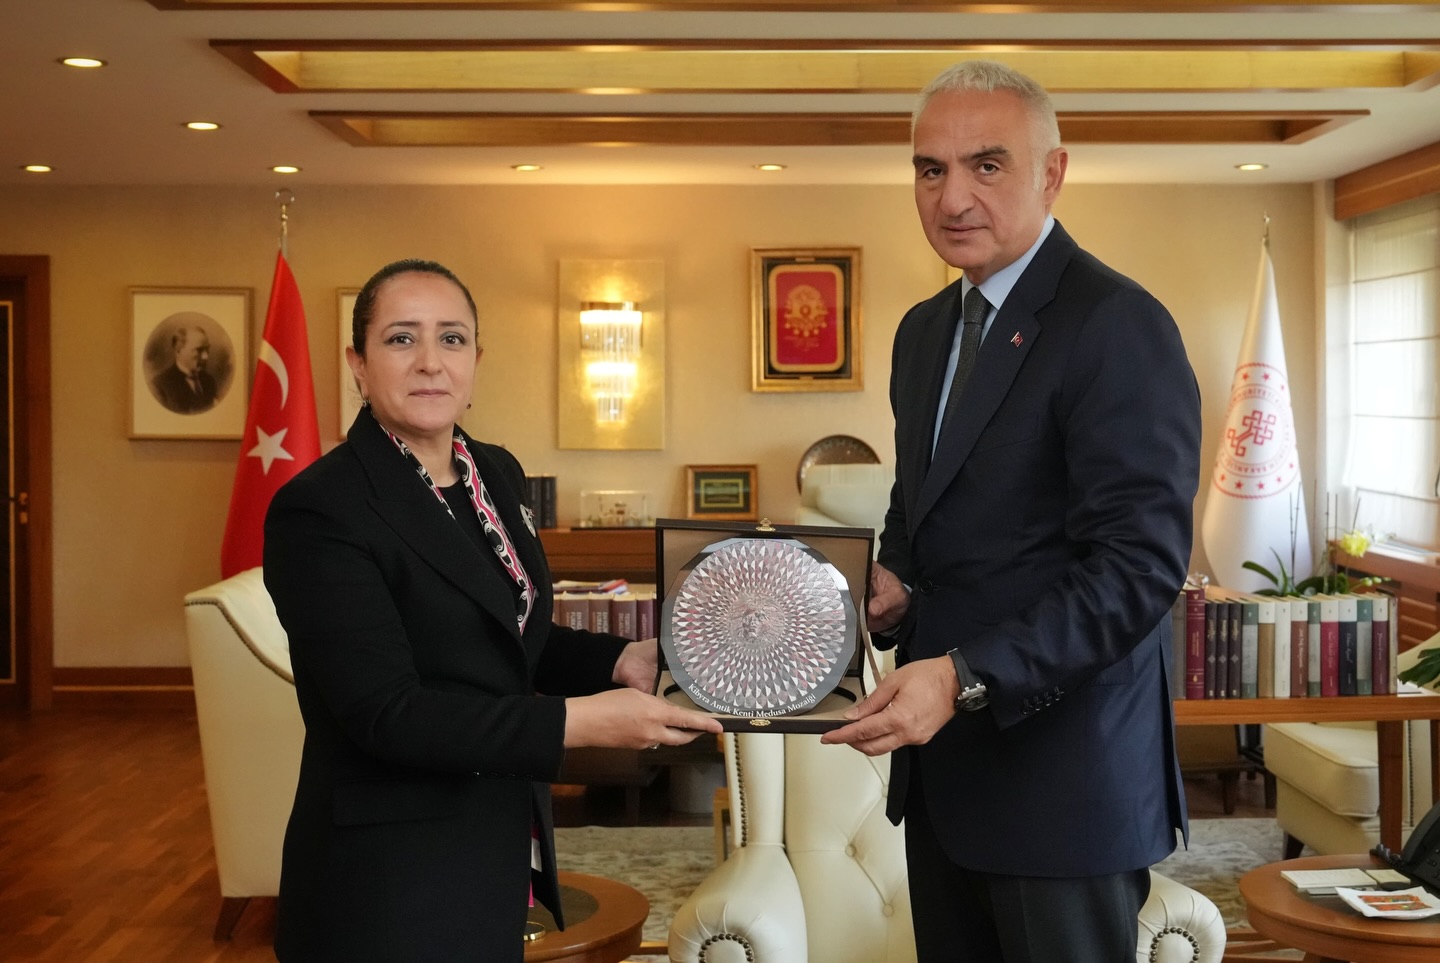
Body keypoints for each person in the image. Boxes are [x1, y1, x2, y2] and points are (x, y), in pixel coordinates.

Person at [821, 61, 1203, 962]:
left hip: (1064, 787)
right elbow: (920, 506)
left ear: (1052, 173)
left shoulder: (1117, 323)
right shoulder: (922, 331)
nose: (952, 197)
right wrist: (892, 581)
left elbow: (1137, 570)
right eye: (930, 169)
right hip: (945, 784)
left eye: (986, 165)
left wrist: (962, 675)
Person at [262, 258, 721, 962]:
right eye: (401, 338)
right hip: (386, 873)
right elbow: (387, 713)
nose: (430, 361)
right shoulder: (322, 509)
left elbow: (505, 634)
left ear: (476, 361)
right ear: (358, 365)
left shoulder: (495, 472)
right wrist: (578, 721)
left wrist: (621, 660)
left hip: (493, 839)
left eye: (451, 338)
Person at [151, 323, 218, 413]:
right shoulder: (159, 385)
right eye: (199, 350)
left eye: (207, 349)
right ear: (178, 351)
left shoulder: (209, 381)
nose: (205, 357)